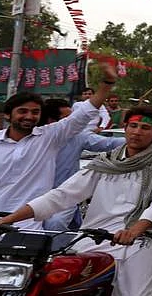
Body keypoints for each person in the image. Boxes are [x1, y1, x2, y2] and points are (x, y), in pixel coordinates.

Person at [0, 106, 152, 296]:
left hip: (140, 241)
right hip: (94, 237)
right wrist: (5, 221)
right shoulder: (105, 161)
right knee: (52, 283)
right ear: (125, 128)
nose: (137, 132)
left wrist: (134, 231)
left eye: (145, 128)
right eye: (133, 125)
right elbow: (61, 195)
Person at [0, 63, 116, 229]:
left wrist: (106, 84)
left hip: (27, 225)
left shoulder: (49, 137)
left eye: (35, 112)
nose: (29, 116)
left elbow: (84, 113)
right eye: (22, 111)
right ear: (7, 114)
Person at [39, 98, 125, 231]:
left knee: (54, 225)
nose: (73, 122)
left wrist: (135, 139)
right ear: (51, 120)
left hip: (65, 195)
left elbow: (109, 143)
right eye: (68, 118)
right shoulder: (34, 138)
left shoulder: (78, 136)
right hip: (34, 195)